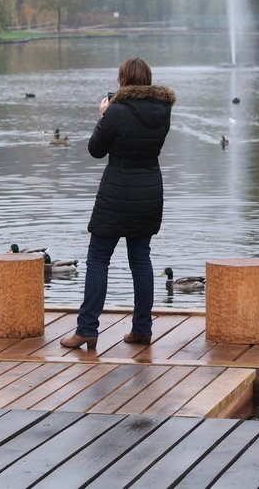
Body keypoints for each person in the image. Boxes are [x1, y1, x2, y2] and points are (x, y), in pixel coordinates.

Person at [61, 57, 176, 349]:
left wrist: (104, 116)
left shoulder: (116, 112)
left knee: (98, 258)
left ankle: (87, 328)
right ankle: (142, 329)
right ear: (148, 80)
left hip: (116, 193)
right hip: (149, 192)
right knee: (141, 259)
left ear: (123, 81)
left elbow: (95, 150)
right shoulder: (163, 111)